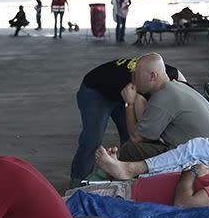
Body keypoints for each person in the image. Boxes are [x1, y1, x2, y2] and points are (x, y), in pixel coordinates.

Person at [86, 121, 209, 207]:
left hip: (128, 198)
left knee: (68, 207)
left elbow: (184, 203)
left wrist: (191, 171)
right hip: (132, 189)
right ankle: (124, 170)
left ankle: (126, 169)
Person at [69, 57, 186, 188]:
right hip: (95, 90)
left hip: (121, 92)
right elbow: (139, 136)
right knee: (92, 140)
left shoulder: (175, 77)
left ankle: (124, 178)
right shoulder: (144, 87)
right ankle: (77, 183)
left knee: (128, 141)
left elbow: (187, 98)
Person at [118, 53, 209, 162]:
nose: (133, 79)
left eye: (136, 75)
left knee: (129, 150)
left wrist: (129, 104)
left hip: (200, 160)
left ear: (153, 76)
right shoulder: (177, 87)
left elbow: (136, 138)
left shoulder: (162, 98)